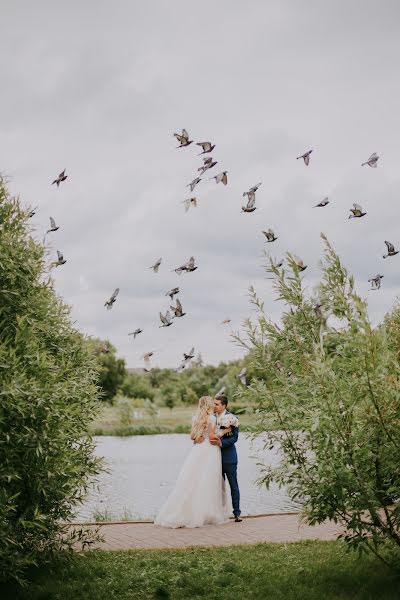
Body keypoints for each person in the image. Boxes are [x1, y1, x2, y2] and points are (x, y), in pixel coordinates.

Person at [154, 396, 229, 528]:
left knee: (193, 480)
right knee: (208, 480)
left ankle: (190, 511)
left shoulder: (196, 417)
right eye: (212, 403)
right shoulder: (211, 418)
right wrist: (224, 431)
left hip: (198, 450)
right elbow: (211, 437)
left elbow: (192, 436)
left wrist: (198, 437)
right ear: (209, 405)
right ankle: (206, 513)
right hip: (210, 451)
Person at [213, 394, 242, 522]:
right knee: (217, 487)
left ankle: (237, 513)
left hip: (229, 457)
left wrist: (221, 443)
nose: (214, 406)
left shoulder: (232, 418)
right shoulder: (211, 418)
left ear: (223, 406)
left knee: (233, 485)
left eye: (217, 404)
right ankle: (220, 513)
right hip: (213, 457)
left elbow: (234, 437)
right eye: (214, 403)